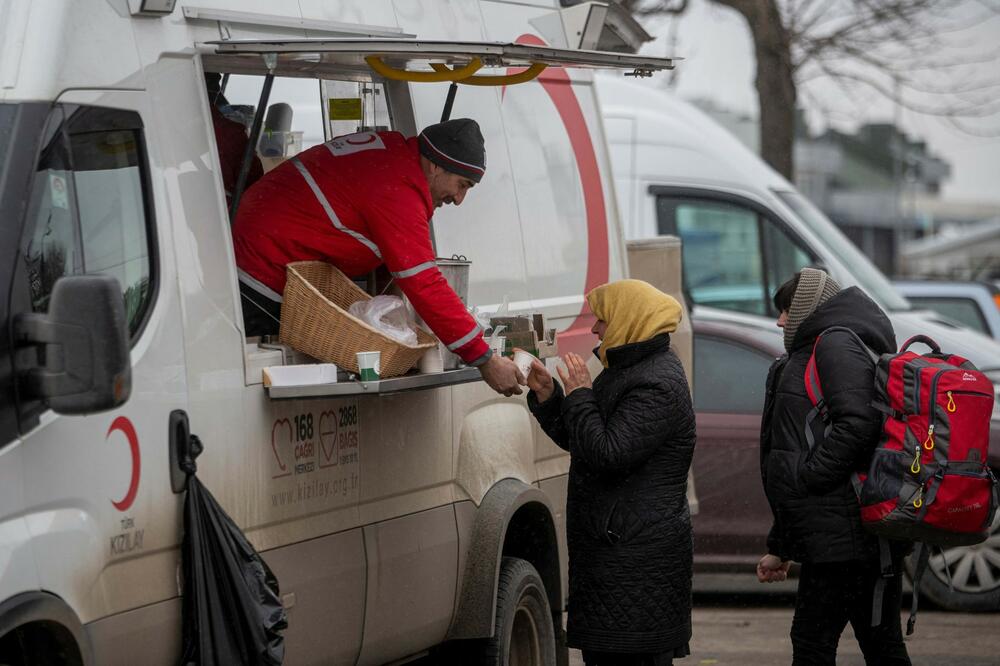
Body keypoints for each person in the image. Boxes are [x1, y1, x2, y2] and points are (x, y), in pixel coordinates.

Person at [232, 117, 524, 396]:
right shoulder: (398, 187)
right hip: (260, 265)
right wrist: (483, 358)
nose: (459, 200)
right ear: (435, 166)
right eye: (462, 185)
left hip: (258, 244)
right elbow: (423, 280)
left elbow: (393, 262)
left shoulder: (396, 156)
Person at [525, 279, 696, 666]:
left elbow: (608, 453)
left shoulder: (656, 383)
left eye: (602, 319)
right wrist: (550, 396)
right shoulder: (625, 370)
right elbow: (586, 441)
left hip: (636, 564)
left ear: (629, 320)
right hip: (616, 559)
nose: (596, 328)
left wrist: (581, 394)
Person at [756, 267, 911, 665]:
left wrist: (811, 476)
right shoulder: (821, 346)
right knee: (880, 644)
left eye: (786, 310)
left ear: (807, 308)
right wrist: (781, 546)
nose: (780, 321)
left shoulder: (835, 344)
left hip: (845, 537)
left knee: (813, 644)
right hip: (841, 534)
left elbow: (858, 423)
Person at [204, 73, 263, 205]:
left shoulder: (164, 126)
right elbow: (254, 183)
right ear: (216, 93)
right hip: (221, 211)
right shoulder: (231, 133)